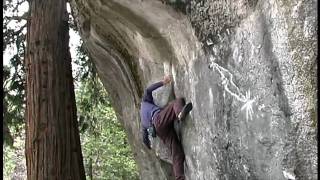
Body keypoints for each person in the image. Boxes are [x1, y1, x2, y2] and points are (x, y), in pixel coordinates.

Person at [140, 75, 193, 180]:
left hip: (160, 132)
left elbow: (144, 139)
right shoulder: (145, 102)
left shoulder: (142, 121)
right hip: (159, 119)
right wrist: (163, 82)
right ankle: (179, 114)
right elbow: (148, 90)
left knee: (176, 151)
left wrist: (149, 146)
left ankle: (179, 177)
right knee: (176, 103)